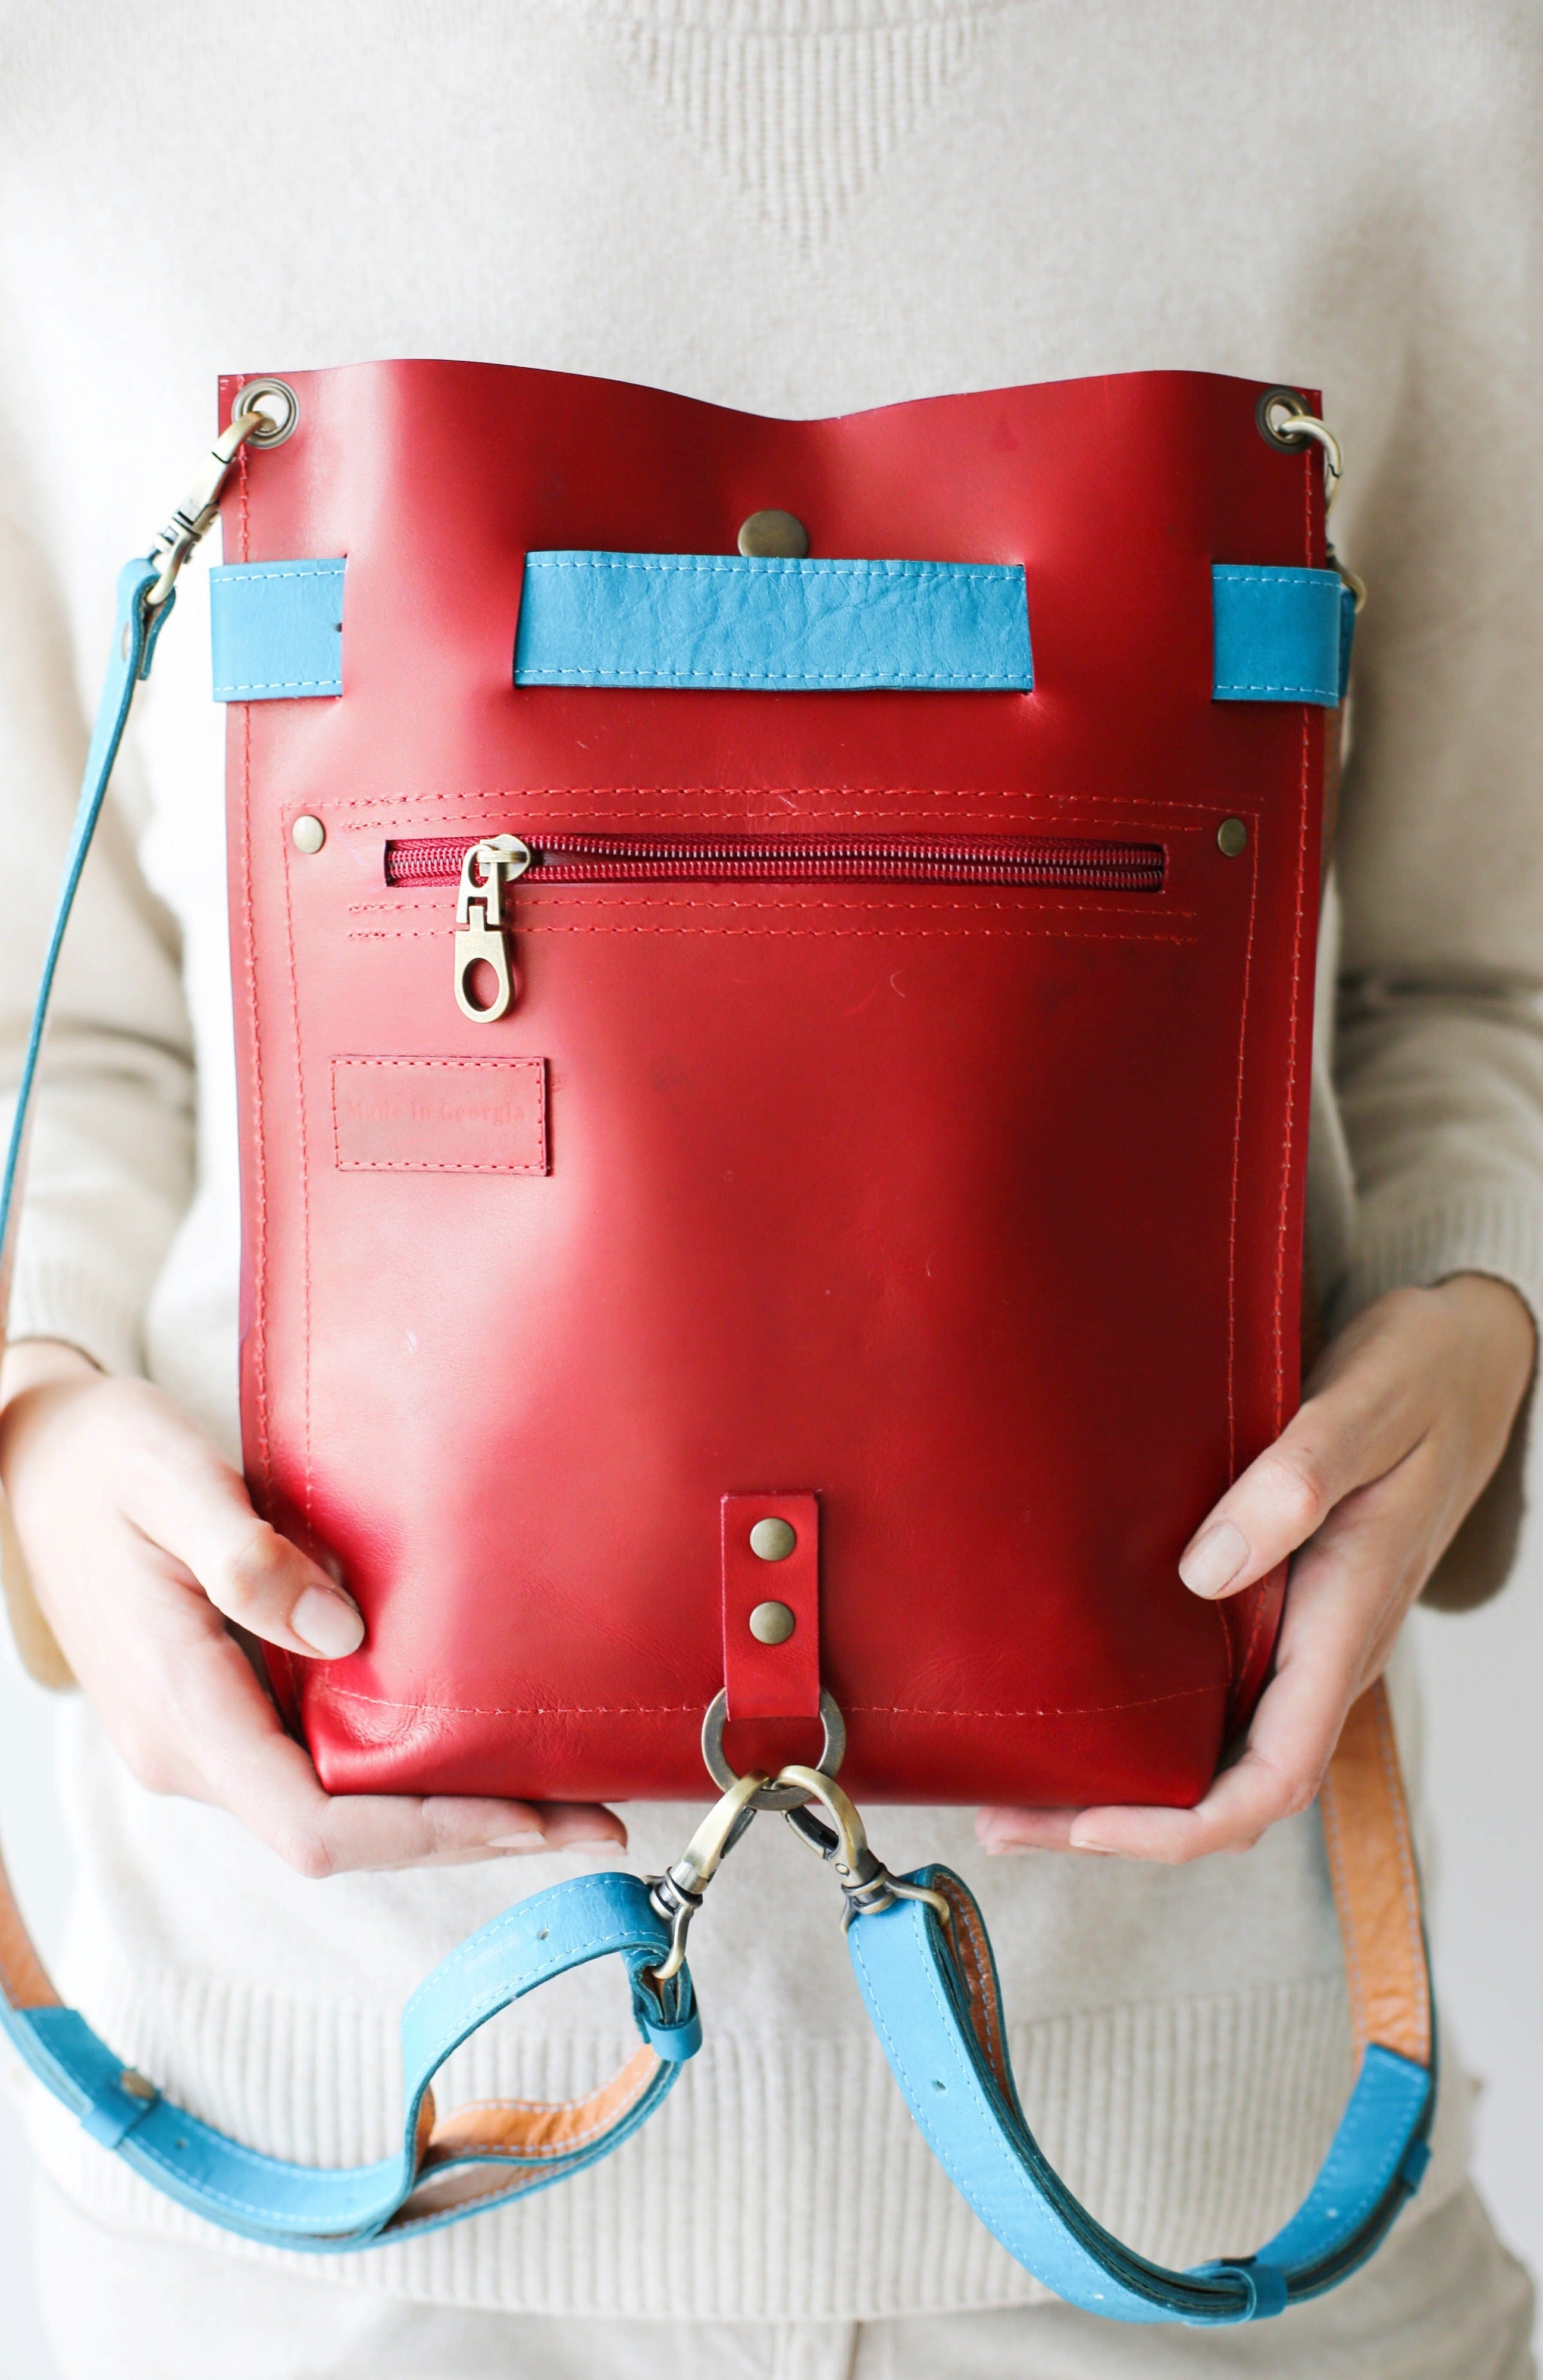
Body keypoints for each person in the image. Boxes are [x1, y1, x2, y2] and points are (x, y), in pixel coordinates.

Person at [1, 5, 1540, 2374]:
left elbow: (1470, 985)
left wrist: (1480, 1322)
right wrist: (35, 1447)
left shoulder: (1409, 75)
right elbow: (79, 1018)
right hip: (295, 2192)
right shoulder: (91, 91)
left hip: (1193, 2189)